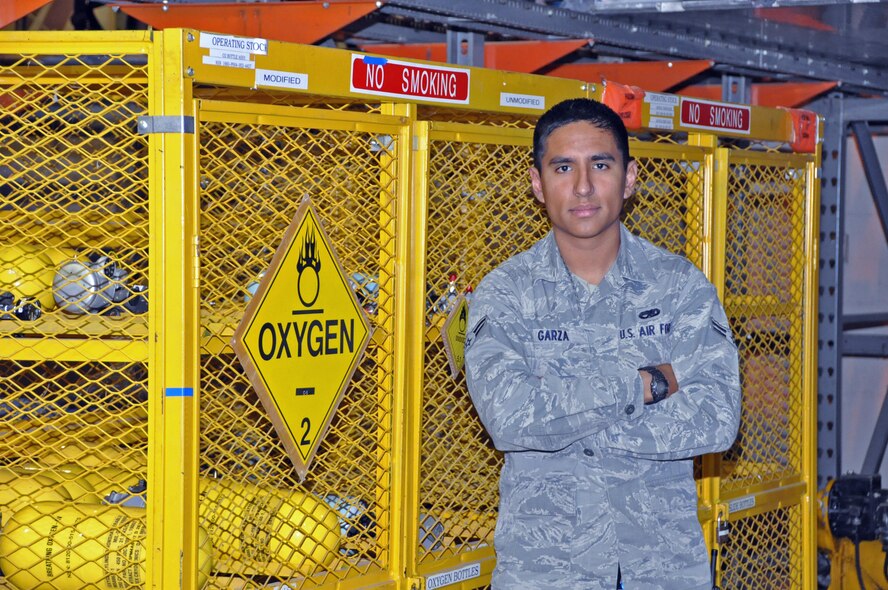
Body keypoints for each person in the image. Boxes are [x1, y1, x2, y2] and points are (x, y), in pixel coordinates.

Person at [464, 97, 742, 590]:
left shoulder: (679, 287)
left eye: (601, 164)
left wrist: (569, 426)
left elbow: (717, 420)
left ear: (630, 177)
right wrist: (643, 385)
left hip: (663, 569)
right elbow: (509, 421)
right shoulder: (505, 294)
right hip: (547, 571)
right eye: (563, 167)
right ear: (537, 183)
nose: (583, 186)